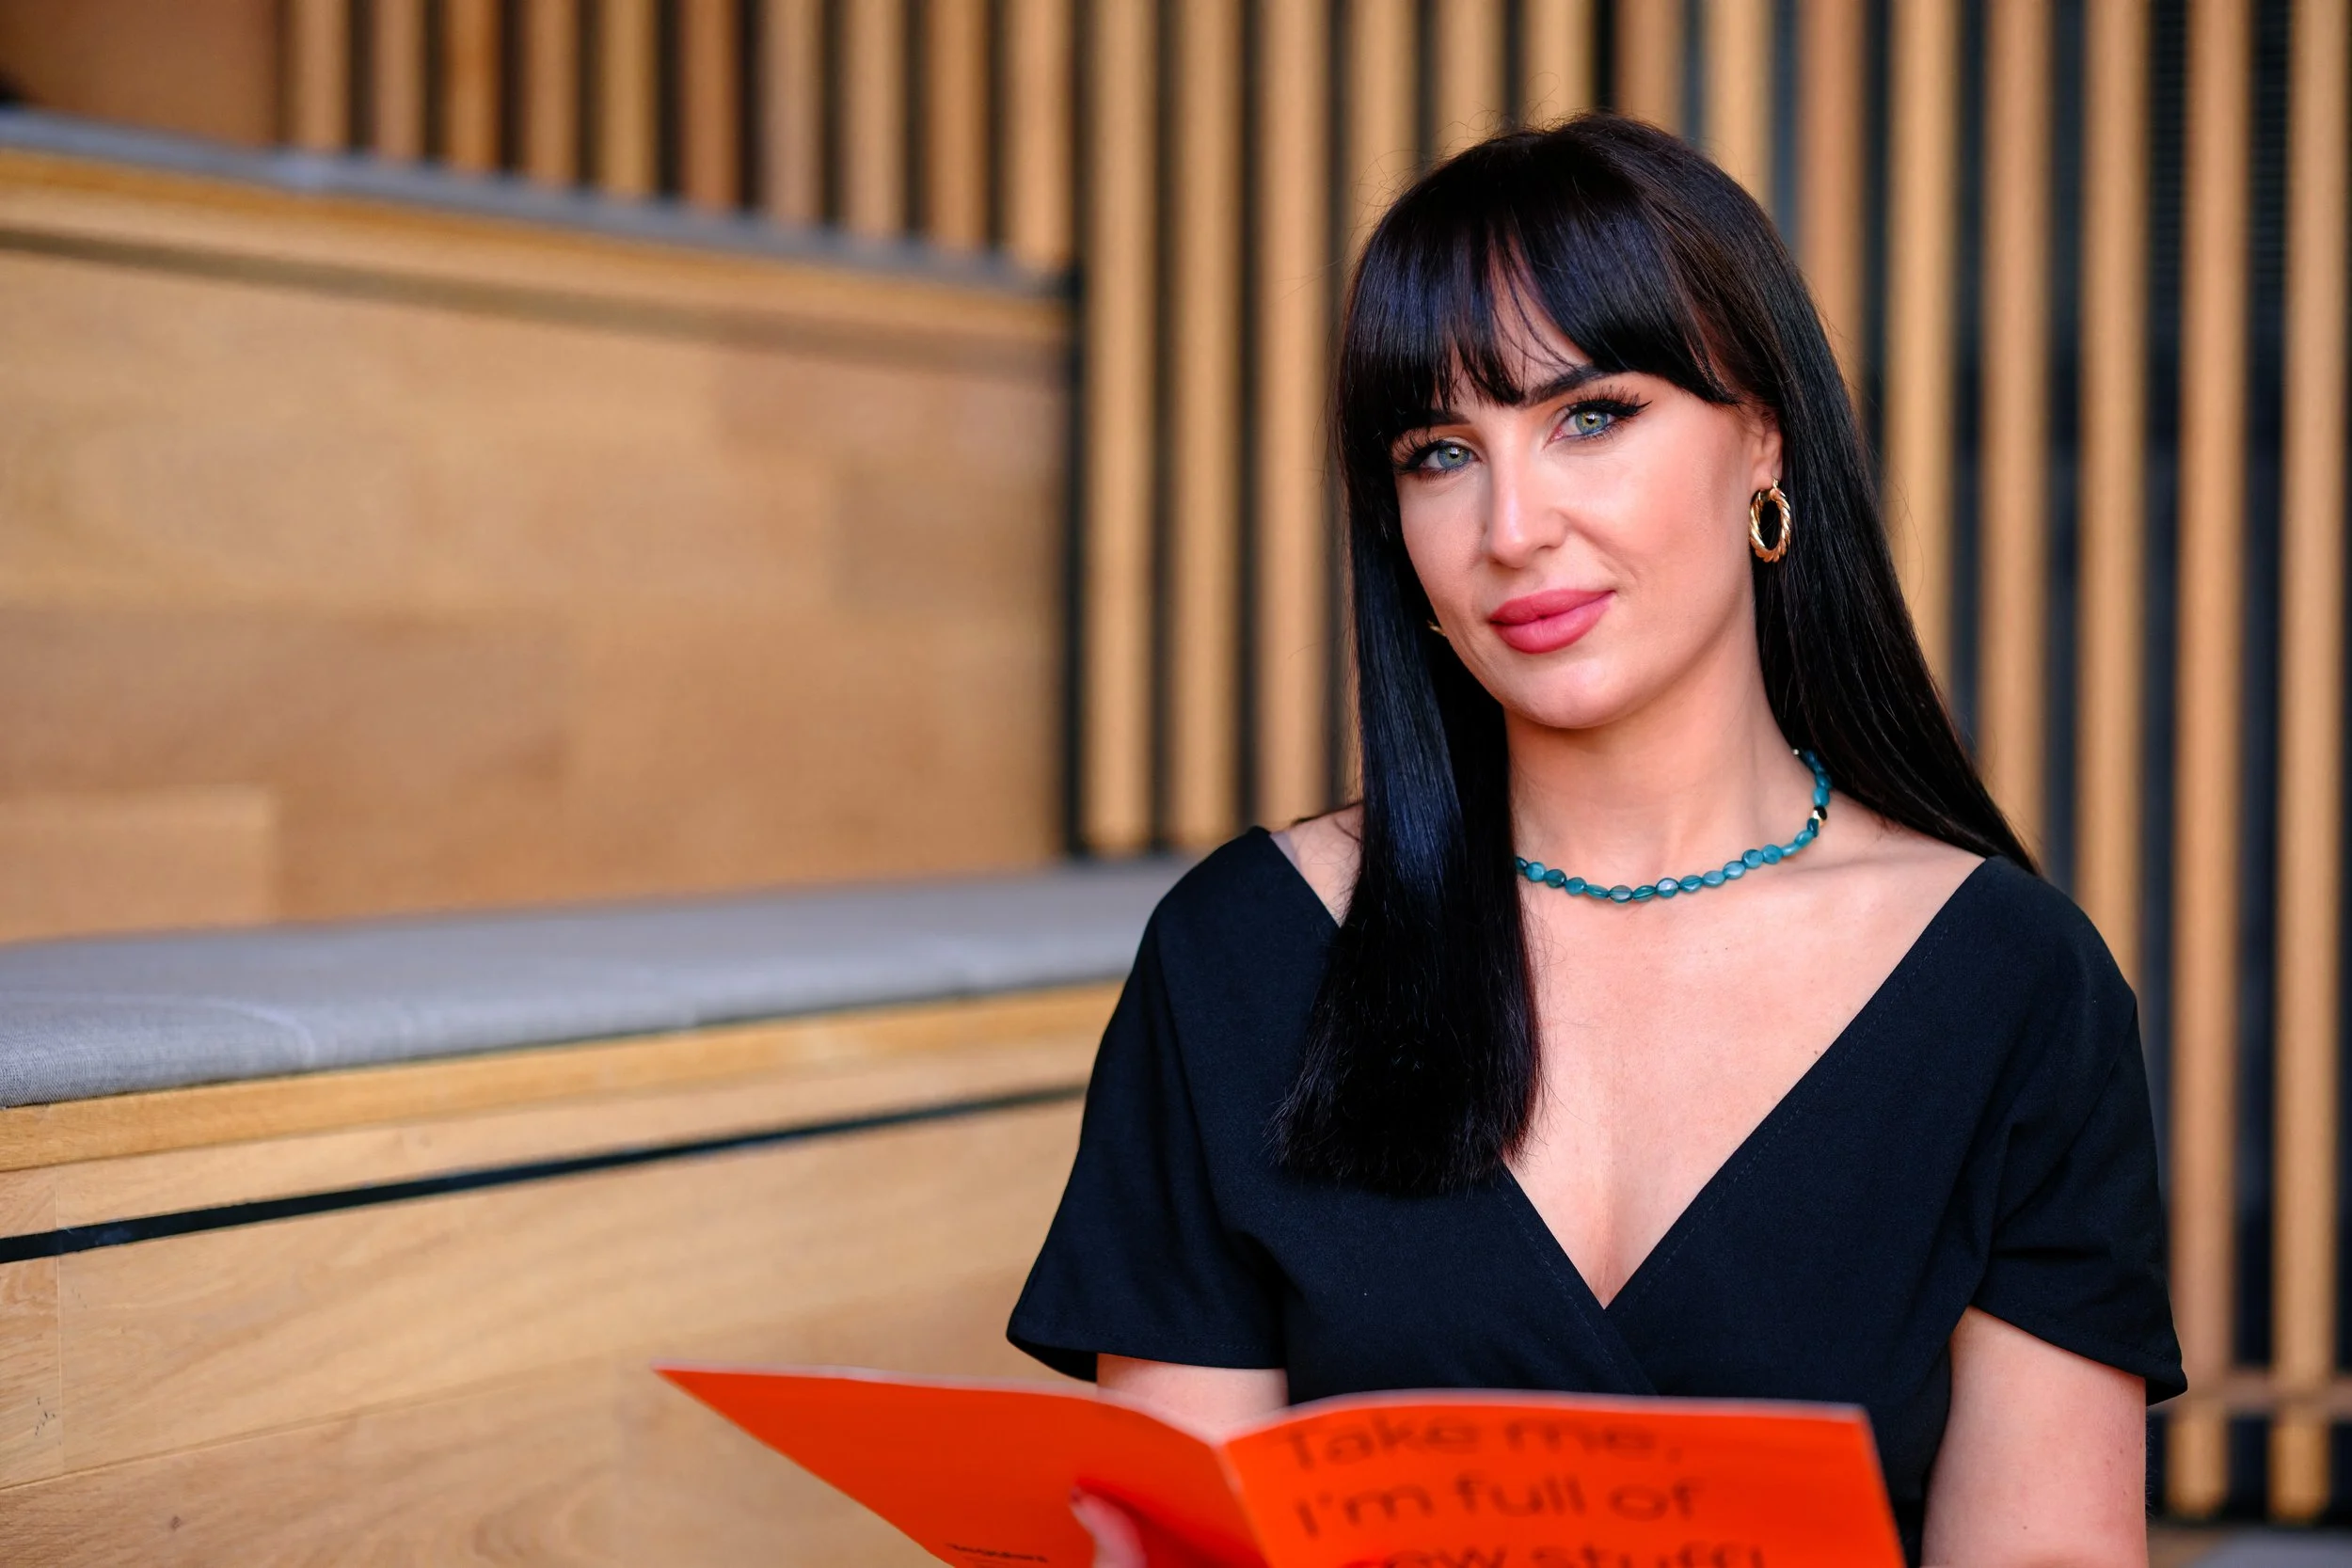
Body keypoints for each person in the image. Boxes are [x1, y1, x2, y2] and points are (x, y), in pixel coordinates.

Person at [1009, 114, 2181, 1568]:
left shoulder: (2013, 988)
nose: (1512, 526)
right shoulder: (1241, 958)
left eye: (1592, 416)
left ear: (1763, 435)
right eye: (1442, 452)